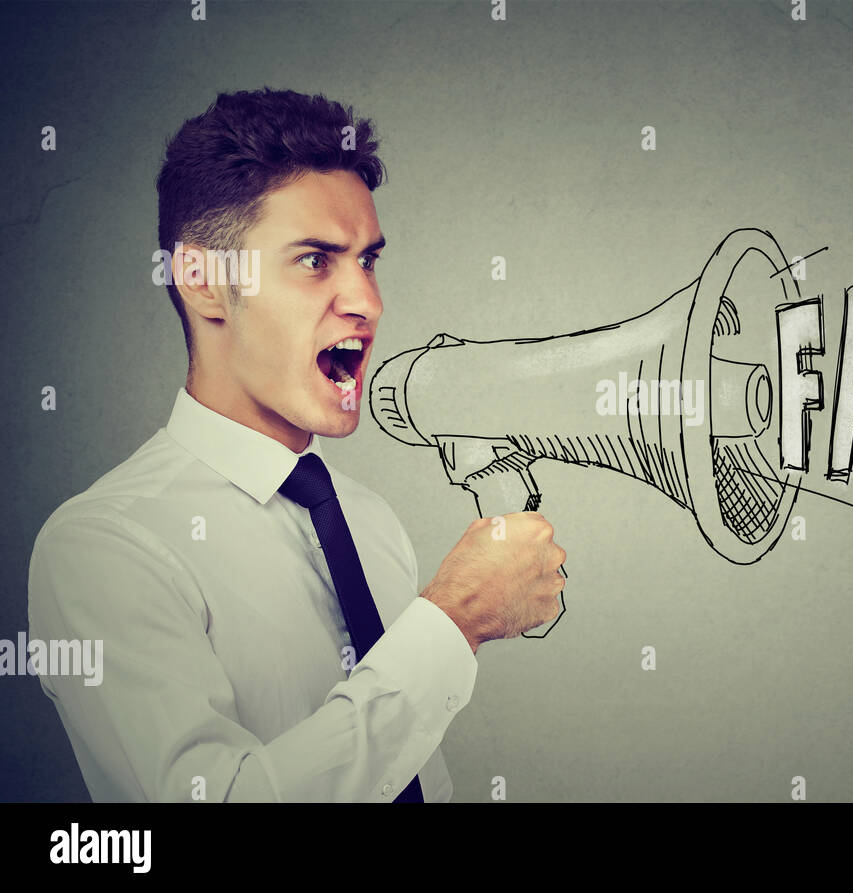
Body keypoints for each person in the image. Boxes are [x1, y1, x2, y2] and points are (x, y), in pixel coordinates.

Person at [26, 88, 566, 802]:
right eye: (316, 260)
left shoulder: (368, 521)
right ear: (203, 282)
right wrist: (455, 618)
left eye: (369, 260)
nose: (368, 301)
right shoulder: (101, 549)